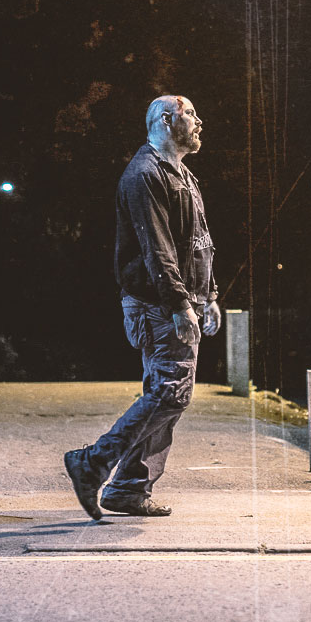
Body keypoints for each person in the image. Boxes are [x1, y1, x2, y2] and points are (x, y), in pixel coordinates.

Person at [65, 95, 220, 520]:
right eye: (191, 114)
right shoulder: (145, 175)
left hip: (177, 300)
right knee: (170, 392)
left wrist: (210, 296)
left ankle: (130, 489)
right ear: (167, 121)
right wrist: (179, 303)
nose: (199, 121)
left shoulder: (181, 174)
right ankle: (93, 462)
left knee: (169, 394)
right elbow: (158, 250)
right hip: (157, 304)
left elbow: (198, 241)